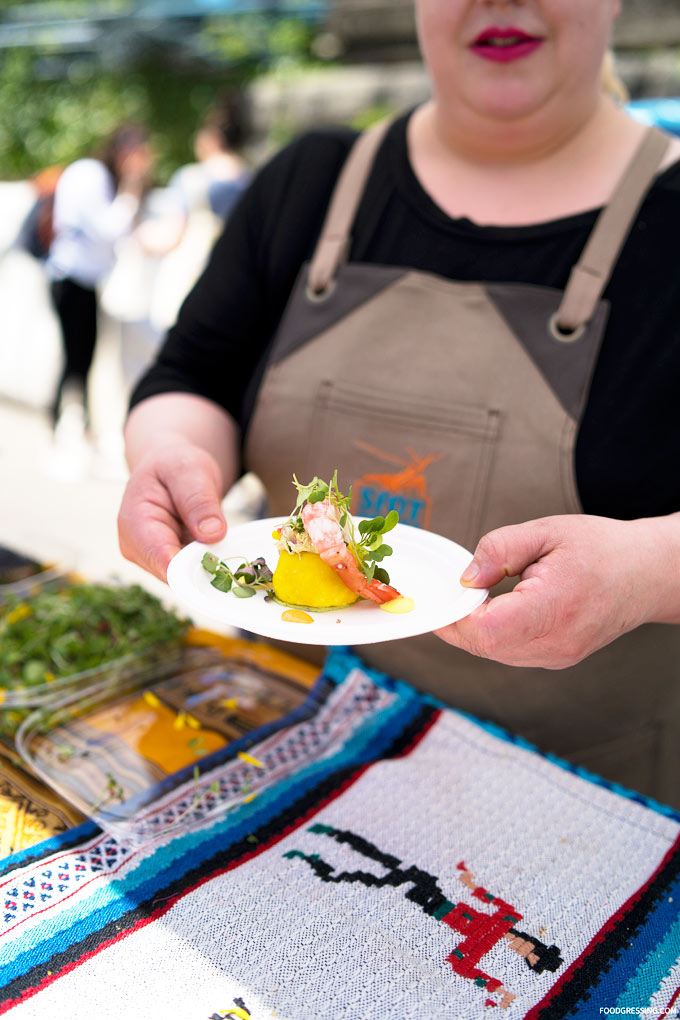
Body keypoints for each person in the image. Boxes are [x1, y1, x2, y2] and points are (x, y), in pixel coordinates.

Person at [118, 0, 680, 807]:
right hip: (287, 753)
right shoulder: (309, 183)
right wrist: (173, 453)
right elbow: (194, 376)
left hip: (577, 796)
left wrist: (648, 573)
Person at [45, 124, 154, 473]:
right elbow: (109, 228)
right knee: (78, 359)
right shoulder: (93, 176)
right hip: (72, 278)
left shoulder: (95, 175)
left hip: (81, 280)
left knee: (78, 358)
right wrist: (132, 189)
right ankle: (64, 431)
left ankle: (69, 428)